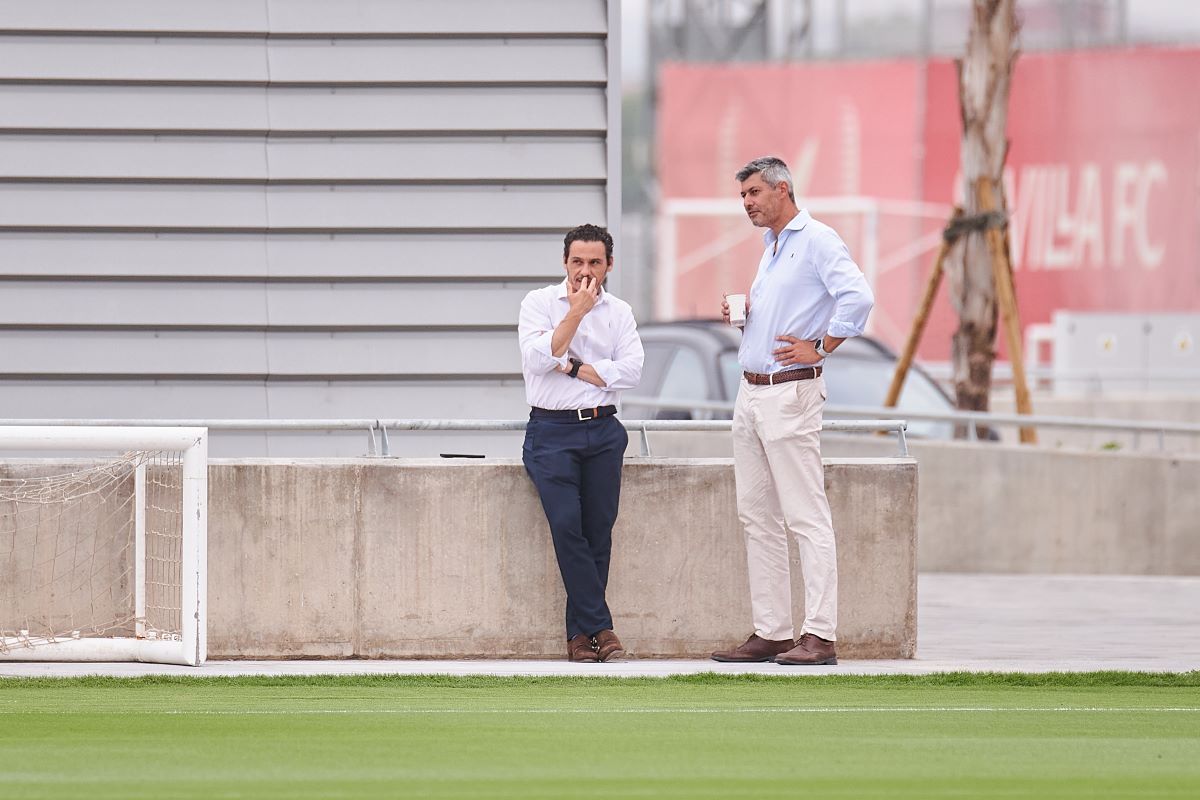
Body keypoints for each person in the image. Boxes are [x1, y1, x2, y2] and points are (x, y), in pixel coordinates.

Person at [711, 156, 874, 666]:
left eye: (754, 193)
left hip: (791, 393)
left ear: (783, 189)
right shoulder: (772, 246)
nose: (748, 203)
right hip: (751, 392)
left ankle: (820, 635)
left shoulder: (817, 239)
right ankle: (773, 631)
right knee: (756, 515)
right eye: (743, 196)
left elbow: (858, 299)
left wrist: (821, 346)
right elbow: (787, 314)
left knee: (805, 516)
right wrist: (747, 320)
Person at [518, 223, 644, 663]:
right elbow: (537, 360)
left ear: (609, 266)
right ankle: (602, 628)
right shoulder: (538, 303)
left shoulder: (621, 312)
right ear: (565, 262)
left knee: (598, 533)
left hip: (604, 431)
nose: (584, 272)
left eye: (594, 263)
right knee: (567, 526)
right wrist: (575, 313)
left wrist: (572, 368)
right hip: (551, 432)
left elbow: (630, 373)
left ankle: (579, 637)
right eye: (577, 262)